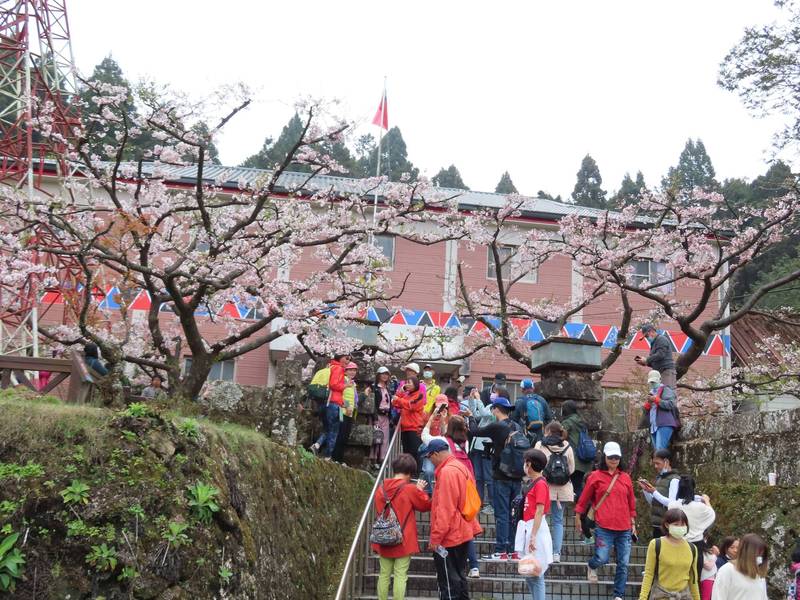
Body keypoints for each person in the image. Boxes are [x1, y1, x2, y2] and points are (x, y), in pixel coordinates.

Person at [575, 441, 637, 600]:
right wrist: (577, 517)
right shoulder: (595, 476)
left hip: (624, 527)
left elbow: (631, 503)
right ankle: (592, 565)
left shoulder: (625, 477)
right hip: (604, 525)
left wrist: (633, 524)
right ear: (605, 457)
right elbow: (584, 498)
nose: (614, 460)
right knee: (602, 557)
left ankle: (619, 595)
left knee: (623, 563)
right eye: (611, 457)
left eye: (617, 457)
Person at [422, 438, 482, 600]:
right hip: (463, 530)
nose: (430, 461)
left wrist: (435, 538)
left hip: (450, 535)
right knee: (459, 578)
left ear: (435, 454)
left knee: (449, 583)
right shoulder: (460, 467)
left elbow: (445, 510)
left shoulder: (447, 472)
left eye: (429, 457)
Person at [469, 389, 523, 561]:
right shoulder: (517, 426)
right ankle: (513, 551)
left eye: (493, 409)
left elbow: (473, 432)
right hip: (517, 477)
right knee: (514, 515)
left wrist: (470, 416)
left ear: (496, 410)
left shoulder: (496, 426)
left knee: (501, 514)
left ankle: (500, 551)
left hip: (501, 476)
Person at [371, 453, 431, 600]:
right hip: (403, 538)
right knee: (400, 575)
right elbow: (425, 505)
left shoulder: (381, 489)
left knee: (384, 574)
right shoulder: (409, 489)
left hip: (384, 537)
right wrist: (419, 490)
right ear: (410, 472)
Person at [514, 448, 553, 600]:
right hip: (530, 528)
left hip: (535, 529)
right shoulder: (535, 482)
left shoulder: (540, 484)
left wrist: (533, 536)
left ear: (529, 464)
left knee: (536, 574)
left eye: (526, 462)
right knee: (530, 572)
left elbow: (539, 510)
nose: (524, 465)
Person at [533, 421, 574, 563]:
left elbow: (534, 464)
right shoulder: (567, 446)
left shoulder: (540, 444)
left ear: (548, 431)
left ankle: (540, 549)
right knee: (558, 520)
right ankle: (556, 553)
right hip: (563, 489)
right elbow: (572, 469)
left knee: (540, 517)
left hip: (543, 486)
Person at [639, 508, 700, 600]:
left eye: (683, 524)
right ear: (667, 525)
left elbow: (693, 580)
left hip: (684, 596)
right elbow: (648, 574)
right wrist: (642, 598)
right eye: (676, 524)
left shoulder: (692, 548)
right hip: (661, 595)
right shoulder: (656, 544)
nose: (680, 527)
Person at [667, 476, 716, 582]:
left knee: (676, 579)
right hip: (696, 546)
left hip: (676, 544)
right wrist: (706, 500)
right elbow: (712, 515)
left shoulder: (672, 505)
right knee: (694, 580)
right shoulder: (700, 507)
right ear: (693, 489)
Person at [462, 386, 495, 515]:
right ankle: (478, 502)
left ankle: (492, 504)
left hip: (487, 447)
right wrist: (471, 399)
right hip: (477, 446)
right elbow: (475, 414)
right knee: (479, 477)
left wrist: (478, 399)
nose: (492, 394)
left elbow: (484, 414)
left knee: (488, 477)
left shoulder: (497, 408)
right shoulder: (487, 406)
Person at [638, 448, 682, 540]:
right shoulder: (660, 479)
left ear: (666, 462)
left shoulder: (674, 480)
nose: (655, 466)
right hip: (657, 524)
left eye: (658, 463)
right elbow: (653, 502)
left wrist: (654, 492)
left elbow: (672, 504)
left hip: (668, 525)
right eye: (654, 463)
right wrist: (646, 490)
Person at [711, 533, 768, 600]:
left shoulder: (759, 575)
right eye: (757, 554)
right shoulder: (727, 570)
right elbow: (718, 597)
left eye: (762, 555)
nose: (759, 558)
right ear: (746, 552)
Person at [560, 400, 592, 502]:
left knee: (574, 487)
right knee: (579, 485)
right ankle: (582, 509)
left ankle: (581, 511)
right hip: (584, 458)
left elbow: (562, 437)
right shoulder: (581, 420)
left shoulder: (567, 422)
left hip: (574, 459)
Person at [392, 376, 425, 465]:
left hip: (415, 428)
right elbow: (394, 403)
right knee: (407, 453)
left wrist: (399, 399)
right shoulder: (406, 395)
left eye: (409, 382)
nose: (407, 384)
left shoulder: (420, 395)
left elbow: (412, 406)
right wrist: (400, 392)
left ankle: (416, 474)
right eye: (406, 382)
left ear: (415, 384)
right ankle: (409, 472)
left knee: (415, 452)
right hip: (405, 428)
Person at [644, 370, 680, 450]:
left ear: (660, 380)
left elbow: (671, 404)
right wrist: (648, 403)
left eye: (654, 381)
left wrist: (657, 400)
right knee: (658, 451)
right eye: (651, 382)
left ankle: (664, 462)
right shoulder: (651, 392)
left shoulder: (666, 390)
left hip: (664, 423)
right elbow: (646, 410)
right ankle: (663, 462)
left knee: (660, 450)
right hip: (654, 425)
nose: (653, 384)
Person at [635, 324, 677, 389]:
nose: (646, 338)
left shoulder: (661, 339)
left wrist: (647, 360)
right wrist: (645, 363)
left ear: (651, 331)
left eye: (646, 336)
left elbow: (660, 355)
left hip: (666, 371)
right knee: (660, 394)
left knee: (667, 393)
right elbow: (656, 360)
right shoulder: (654, 342)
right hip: (660, 372)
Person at [332, 362, 359, 463]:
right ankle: (335, 458)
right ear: (345, 371)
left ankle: (339, 459)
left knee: (345, 437)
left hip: (350, 413)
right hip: (341, 411)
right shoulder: (343, 380)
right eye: (350, 370)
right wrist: (347, 406)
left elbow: (354, 399)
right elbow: (341, 395)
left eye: (354, 370)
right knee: (340, 435)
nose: (352, 372)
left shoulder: (352, 383)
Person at [512, 379, 553, 445]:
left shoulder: (519, 401)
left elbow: (514, 420)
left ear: (522, 389)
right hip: (540, 435)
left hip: (525, 436)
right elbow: (549, 418)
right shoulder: (541, 400)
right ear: (533, 388)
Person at [369, 366, 394, 463]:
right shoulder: (374, 387)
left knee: (385, 439)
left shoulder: (388, 389)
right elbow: (373, 402)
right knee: (376, 437)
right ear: (378, 375)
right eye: (383, 374)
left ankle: (383, 459)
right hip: (377, 415)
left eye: (386, 374)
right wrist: (374, 416)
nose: (385, 376)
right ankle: (373, 458)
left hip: (386, 415)